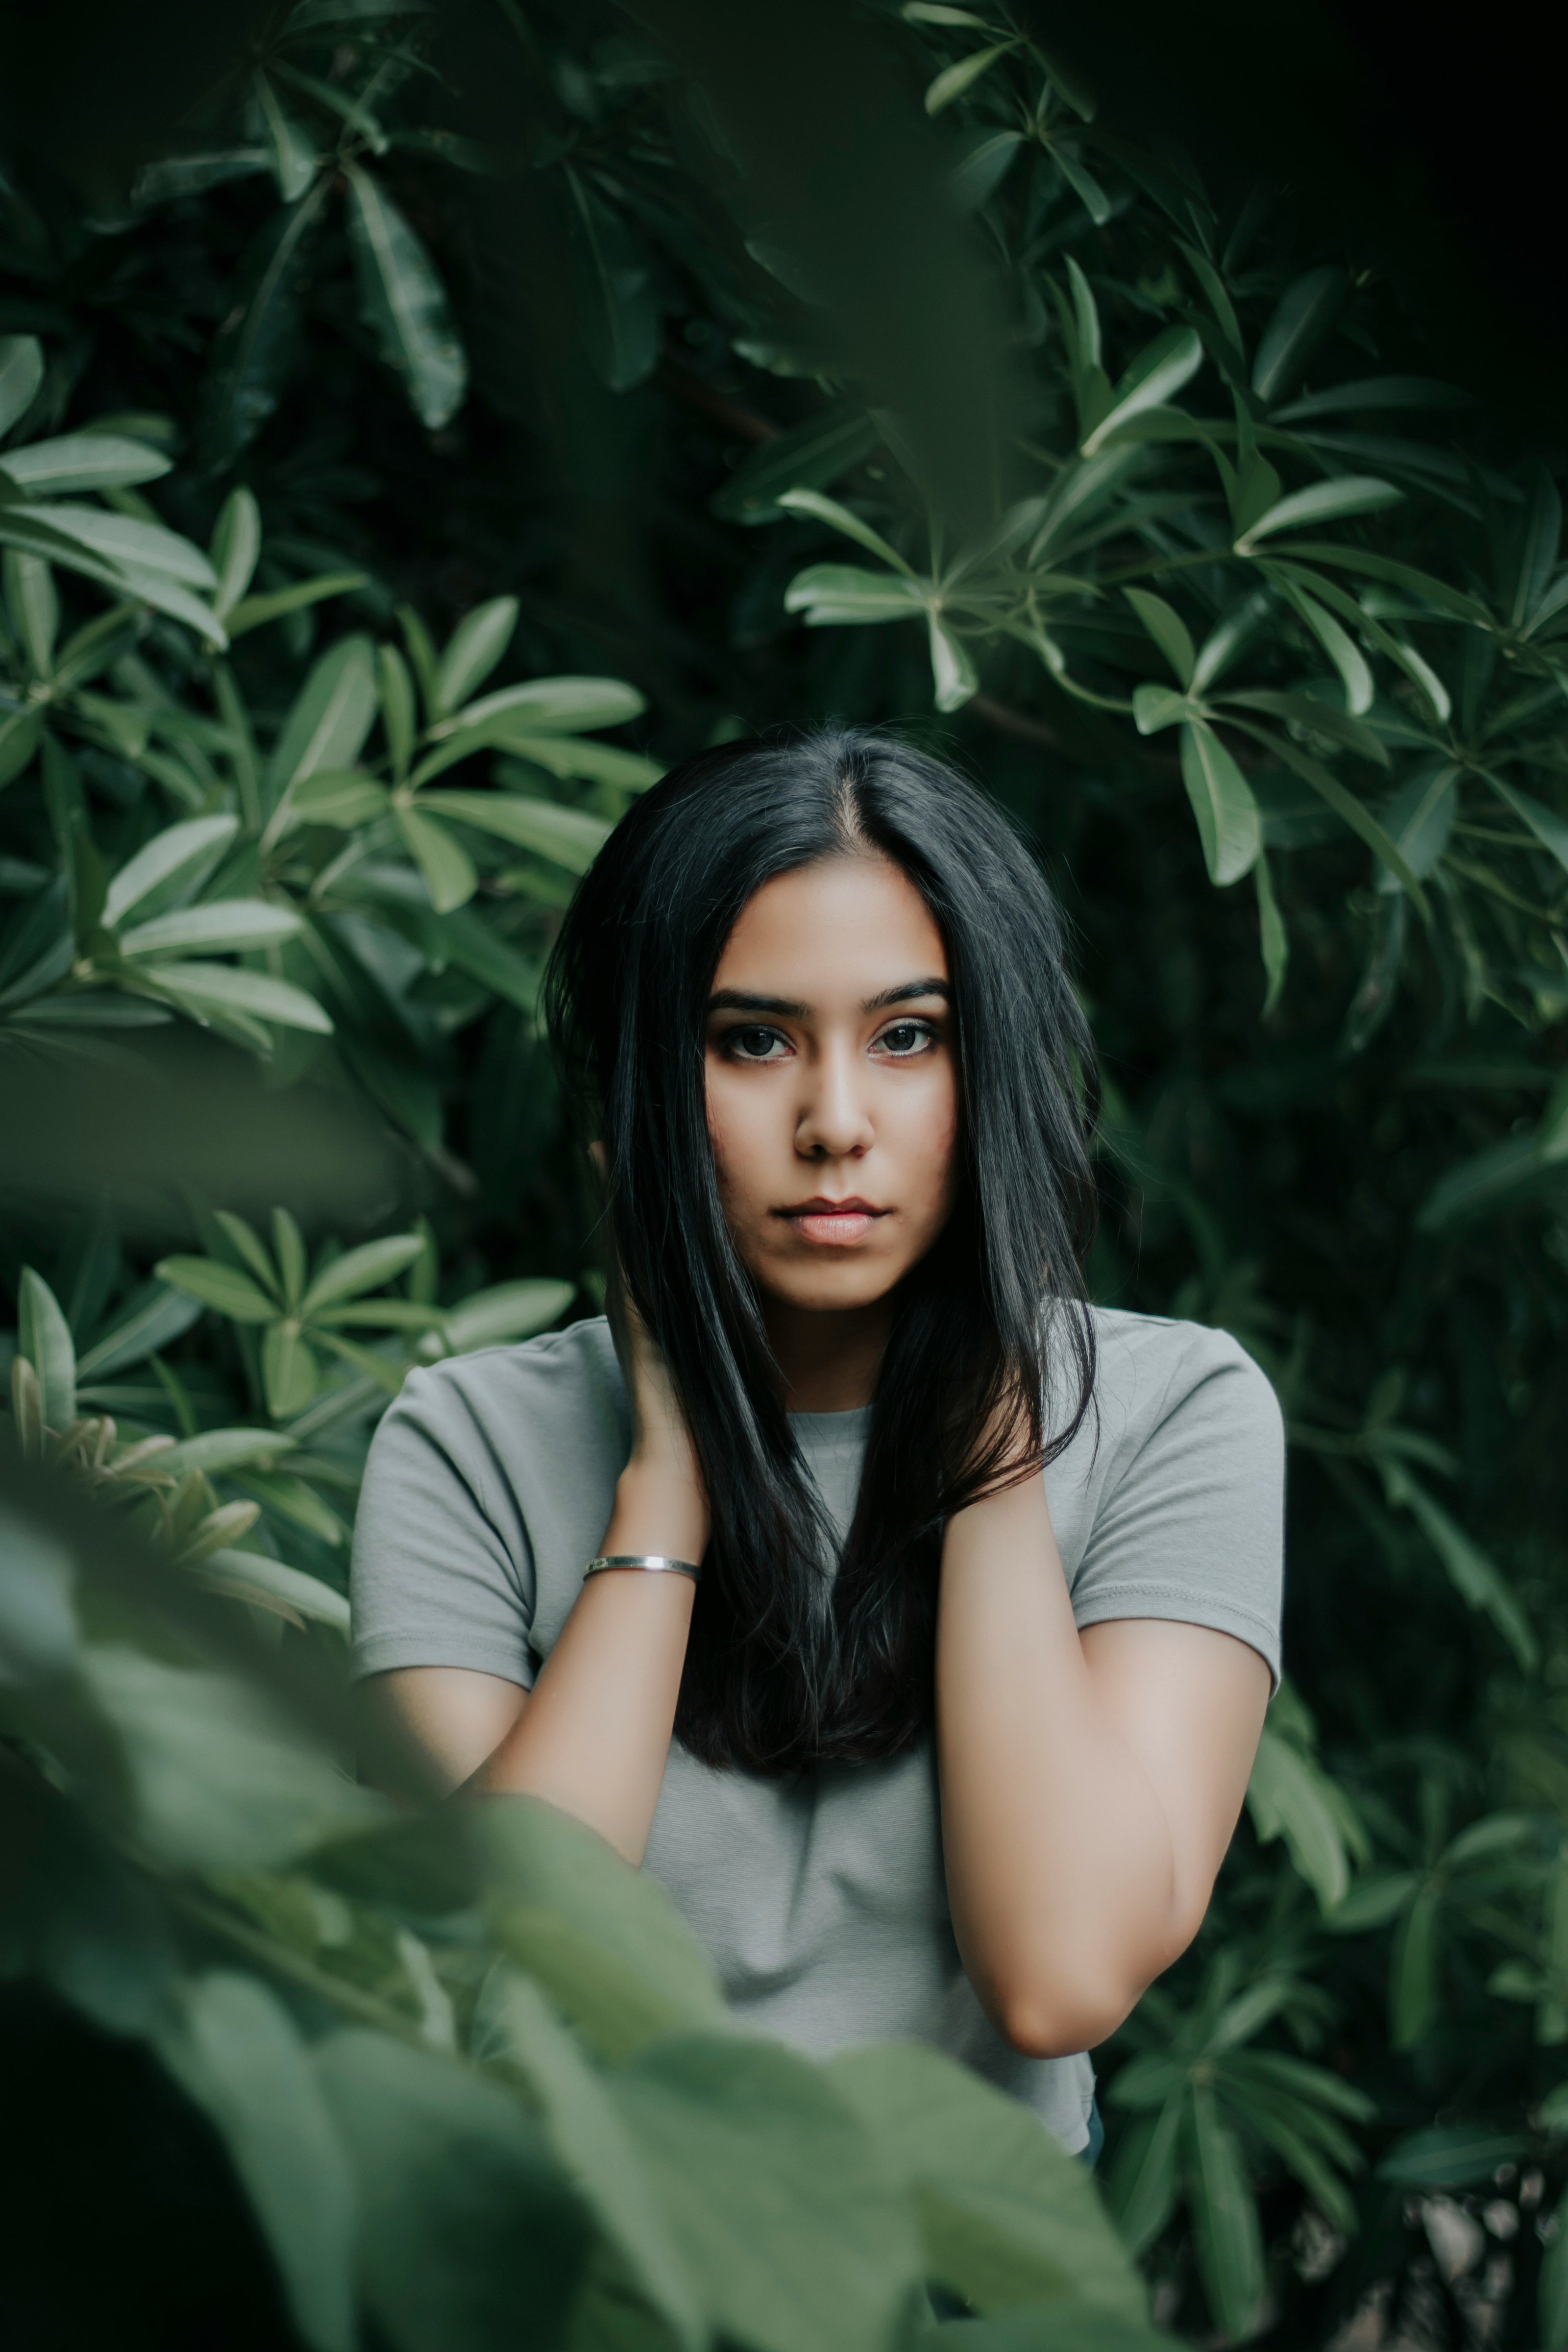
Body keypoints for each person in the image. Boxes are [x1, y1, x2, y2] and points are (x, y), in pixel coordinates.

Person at [350, 728, 1283, 2160]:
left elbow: (1059, 1978)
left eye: (909, 1037)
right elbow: (515, 1952)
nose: (834, 1123)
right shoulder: (470, 1444)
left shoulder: (1175, 1415)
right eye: (752, 1040)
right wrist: (666, 1478)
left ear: (1001, 1076)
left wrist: (992, 1433)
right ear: (644, 1092)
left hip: (974, 2277)